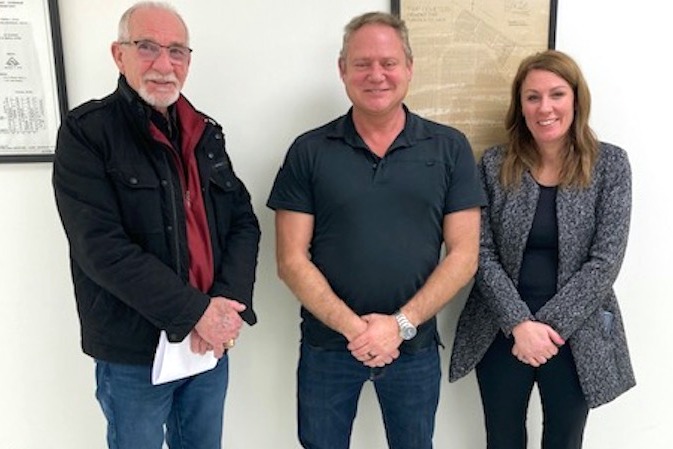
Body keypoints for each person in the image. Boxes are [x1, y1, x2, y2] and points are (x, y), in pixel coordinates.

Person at [267, 11, 486, 449]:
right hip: (328, 347)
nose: (376, 75)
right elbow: (290, 260)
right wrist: (356, 329)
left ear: (409, 67)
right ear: (342, 70)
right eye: (362, 63)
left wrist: (399, 326)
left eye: (388, 63)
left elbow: (464, 256)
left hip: (414, 347)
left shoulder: (450, 148)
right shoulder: (309, 151)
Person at [52, 2, 260, 448]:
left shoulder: (205, 132)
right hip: (136, 352)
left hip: (207, 345)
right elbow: (100, 248)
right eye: (147, 47)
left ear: (188, 61)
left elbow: (243, 222)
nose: (164, 65)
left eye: (177, 51)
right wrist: (197, 312)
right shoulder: (87, 132)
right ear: (119, 54)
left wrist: (226, 306)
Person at [449, 49, 635, 449]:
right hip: (500, 328)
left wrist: (547, 330)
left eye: (557, 94)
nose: (544, 107)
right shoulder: (494, 164)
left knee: (564, 441)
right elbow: (480, 252)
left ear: (576, 99)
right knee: (502, 440)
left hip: (576, 332)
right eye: (532, 97)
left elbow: (605, 261)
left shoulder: (611, 165)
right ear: (520, 105)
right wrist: (519, 324)